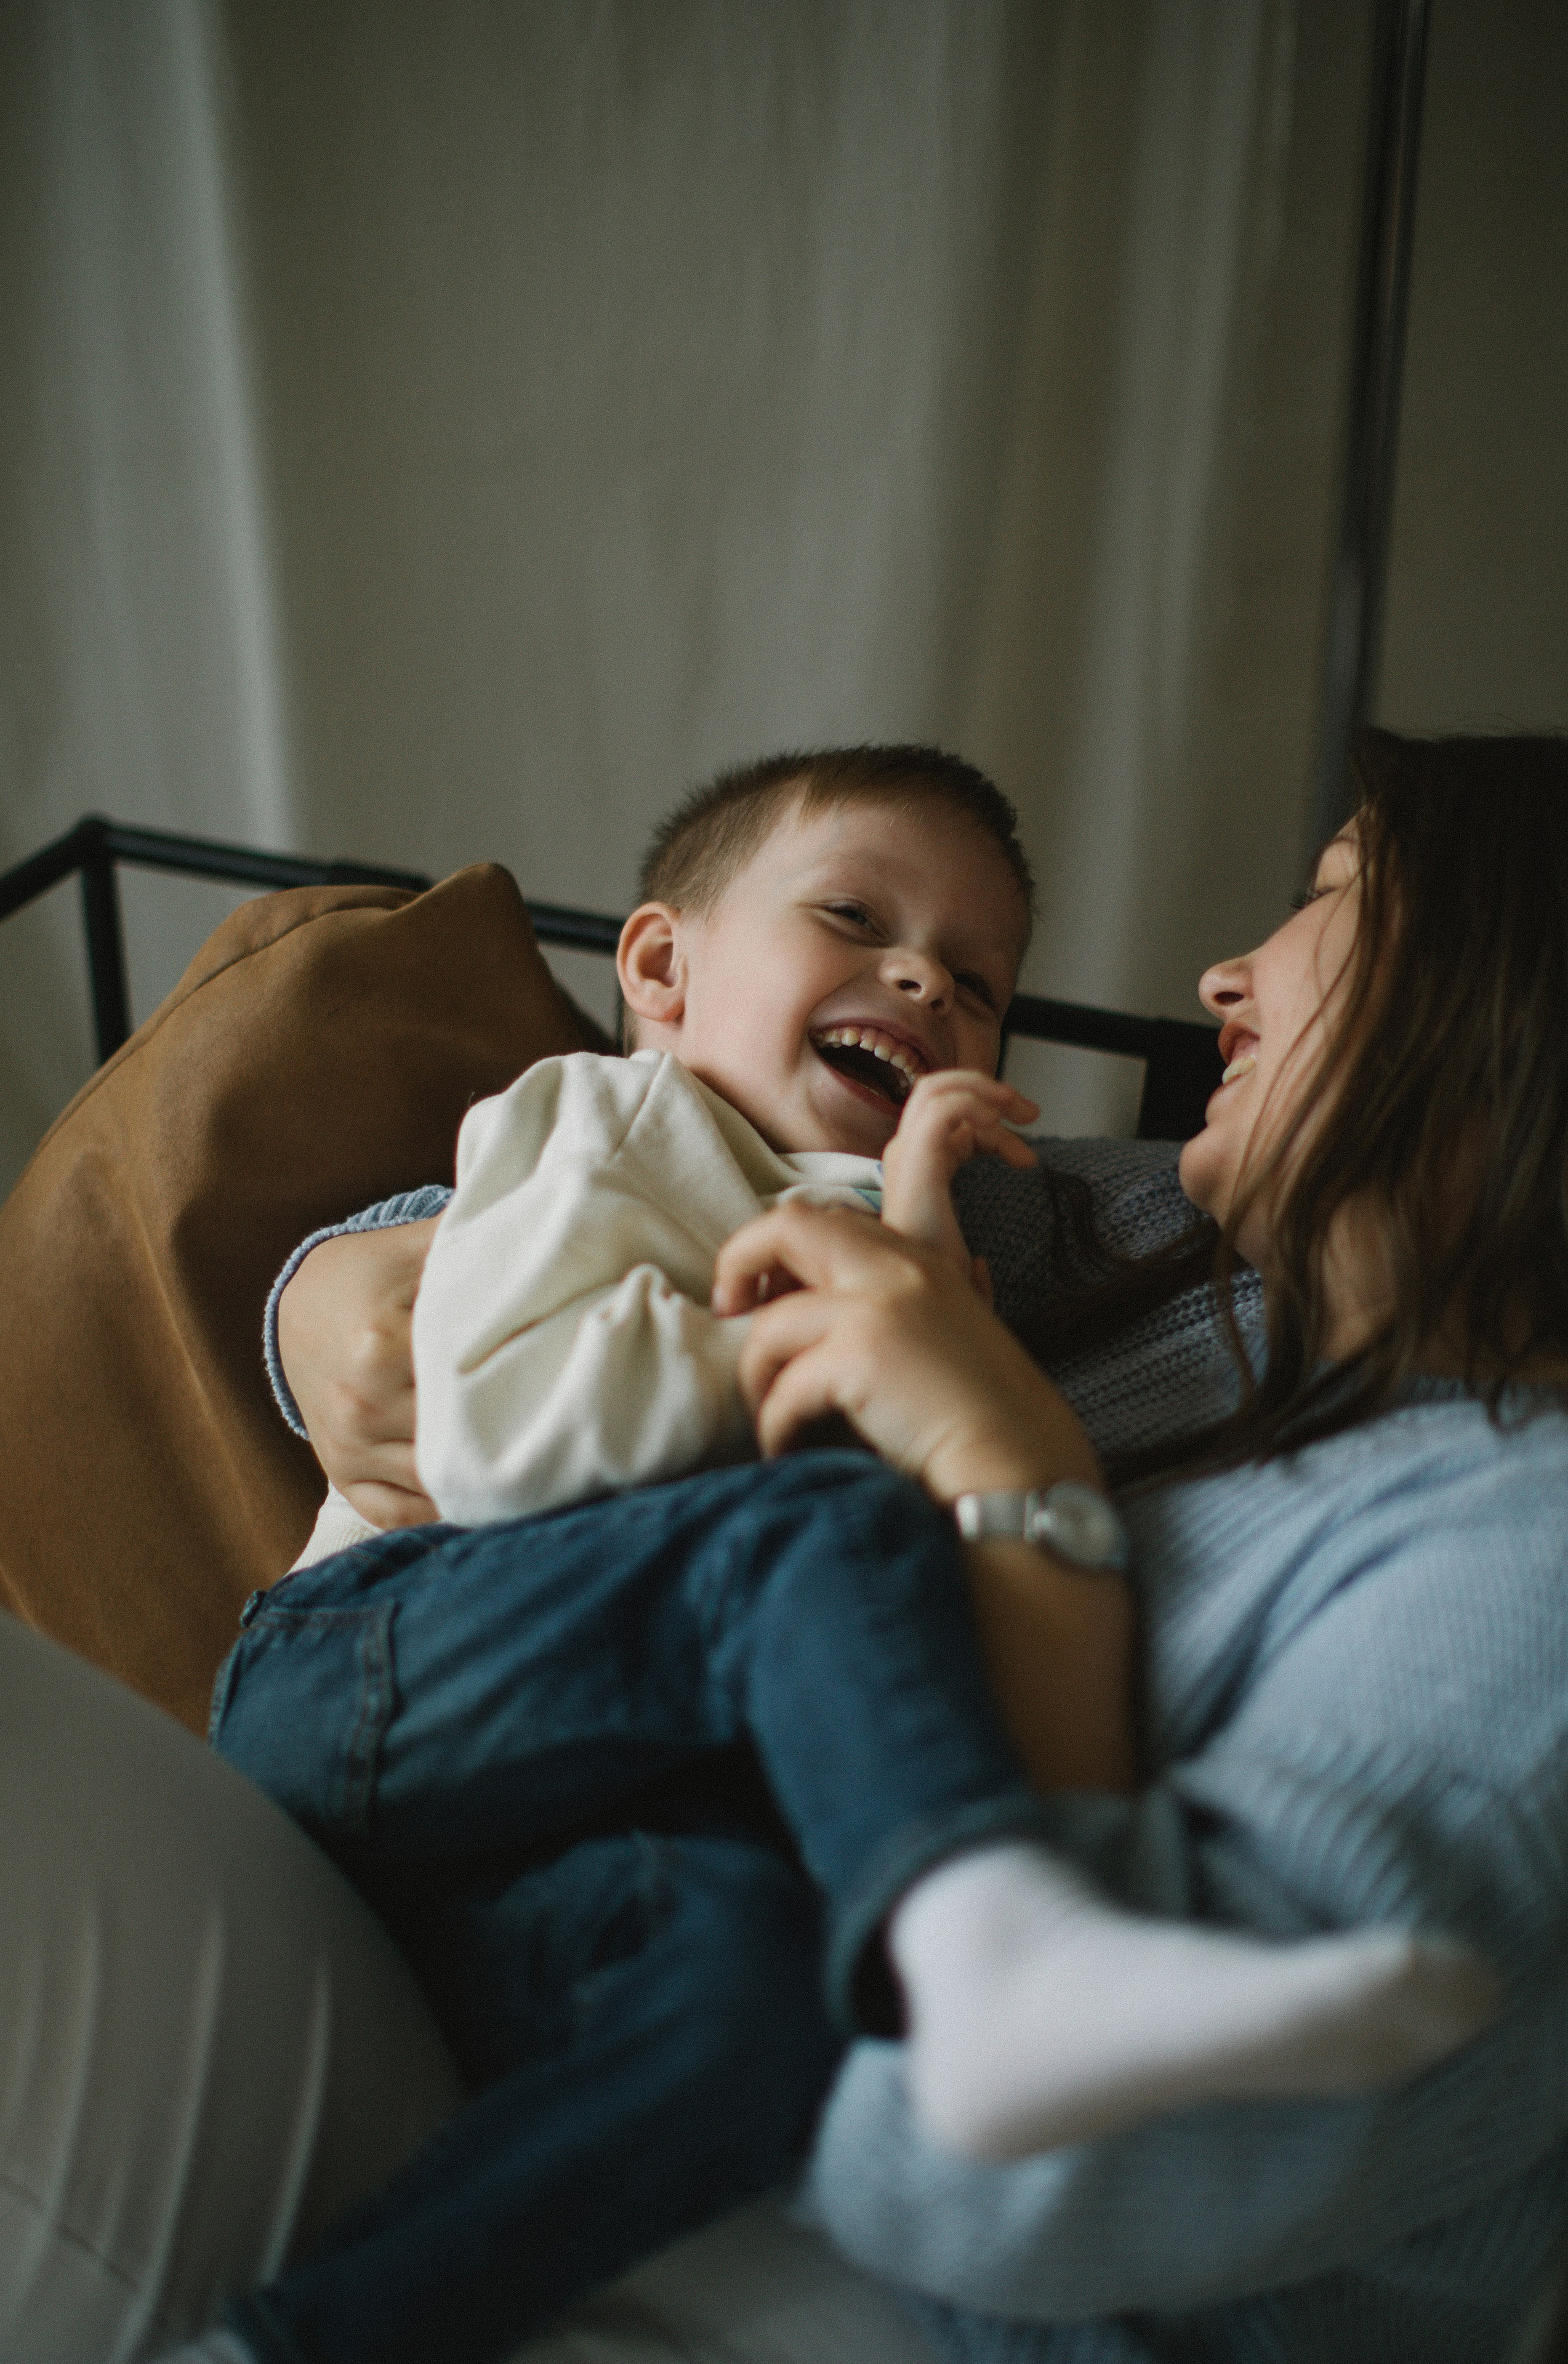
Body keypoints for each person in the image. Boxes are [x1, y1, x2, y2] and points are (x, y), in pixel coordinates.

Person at [159, 741, 1500, 2364]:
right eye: (855, 915)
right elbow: (505, 1414)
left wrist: (921, 1253)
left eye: (984, 982)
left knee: (760, 1983)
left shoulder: (1465, 1504)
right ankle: (984, 1920)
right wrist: (327, 1300)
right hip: (376, 1661)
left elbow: (924, 1351)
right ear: (656, 966)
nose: (928, 977)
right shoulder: (610, 1122)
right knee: (837, 1522)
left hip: (595, 1806)